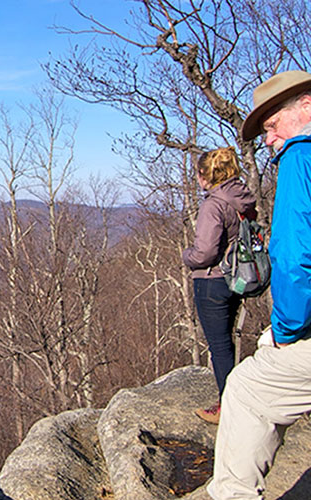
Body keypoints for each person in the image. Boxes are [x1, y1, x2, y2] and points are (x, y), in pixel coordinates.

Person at [204, 70, 311, 500]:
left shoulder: (301, 157)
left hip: (219, 283)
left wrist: (287, 330)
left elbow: (296, 258)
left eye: (271, 126)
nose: (268, 140)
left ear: (306, 106)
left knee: (246, 389)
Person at [183, 146, 256, 424]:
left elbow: (205, 252)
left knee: (219, 345)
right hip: (236, 277)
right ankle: (235, 398)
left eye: (199, 174)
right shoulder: (242, 199)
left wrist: (186, 256)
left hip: (212, 280)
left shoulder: (213, 204)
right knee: (227, 343)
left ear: (205, 175)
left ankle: (229, 406)